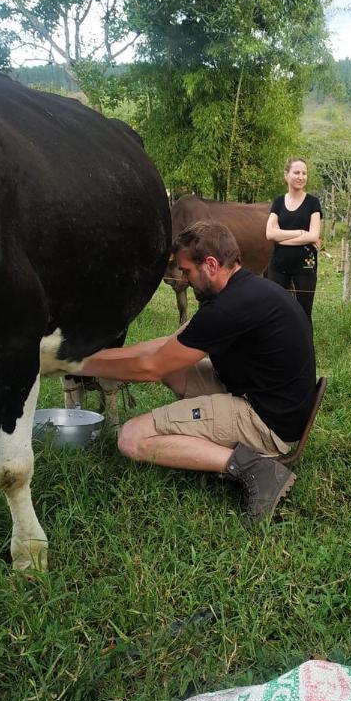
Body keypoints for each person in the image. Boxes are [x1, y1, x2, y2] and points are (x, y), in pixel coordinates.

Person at [80, 220, 316, 522]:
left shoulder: (228, 308)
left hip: (267, 422)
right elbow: (168, 347)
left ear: (211, 265)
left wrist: (74, 364)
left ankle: (257, 469)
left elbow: (151, 367)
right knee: (173, 366)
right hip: (271, 399)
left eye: (187, 270)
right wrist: (98, 355)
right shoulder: (244, 289)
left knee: (131, 437)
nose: (184, 279)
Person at [266, 158, 323, 322]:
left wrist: (281, 239)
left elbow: (313, 235)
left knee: (304, 314)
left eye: (304, 173)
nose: (301, 177)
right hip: (278, 264)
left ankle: (305, 347)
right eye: (296, 172)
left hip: (305, 266)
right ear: (286, 175)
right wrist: (299, 233)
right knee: (276, 310)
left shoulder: (313, 202)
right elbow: (270, 234)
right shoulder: (278, 202)